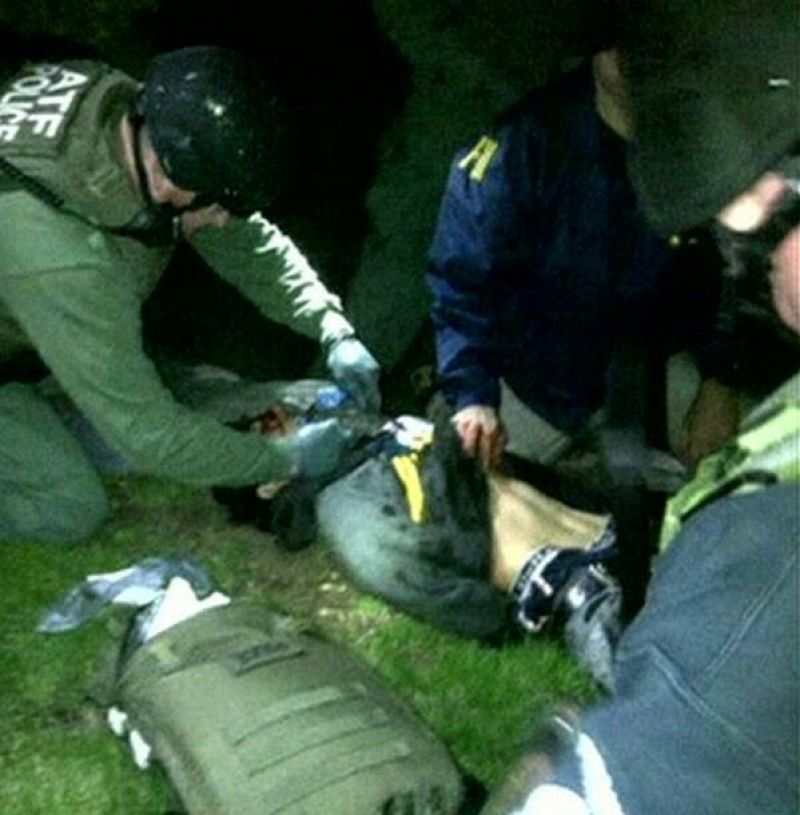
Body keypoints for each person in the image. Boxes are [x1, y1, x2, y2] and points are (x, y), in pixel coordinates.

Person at [483, 2, 799, 813]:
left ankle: (582, 578)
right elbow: (468, 276)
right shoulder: (539, 139)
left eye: (772, 225)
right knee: (469, 497)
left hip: (647, 369)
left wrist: (720, 381)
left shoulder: (715, 130)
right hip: (545, 375)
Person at [0, 45, 381, 544]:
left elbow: (246, 243)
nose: (224, 220)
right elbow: (149, 435)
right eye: (220, 206)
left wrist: (330, 326)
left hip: (27, 320)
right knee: (70, 505)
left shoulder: (134, 118)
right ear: (166, 179)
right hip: (21, 320)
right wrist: (286, 458)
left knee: (172, 402)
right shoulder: (61, 253)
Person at [426, 47, 741, 471]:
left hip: (648, 367)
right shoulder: (523, 145)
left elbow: (725, 267)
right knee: (459, 483)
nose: (631, 55)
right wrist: (473, 397)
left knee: (745, 461)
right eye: (616, 41)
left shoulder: (696, 135)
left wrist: (720, 378)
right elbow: (461, 282)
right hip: (530, 384)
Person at [206, 374, 623, 690]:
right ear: (270, 485)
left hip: (613, 530)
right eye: (269, 425)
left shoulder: (382, 436)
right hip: (579, 588)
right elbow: (384, 564)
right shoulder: (345, 502)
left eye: (280, 411)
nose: (287, 417)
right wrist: (502, 618)